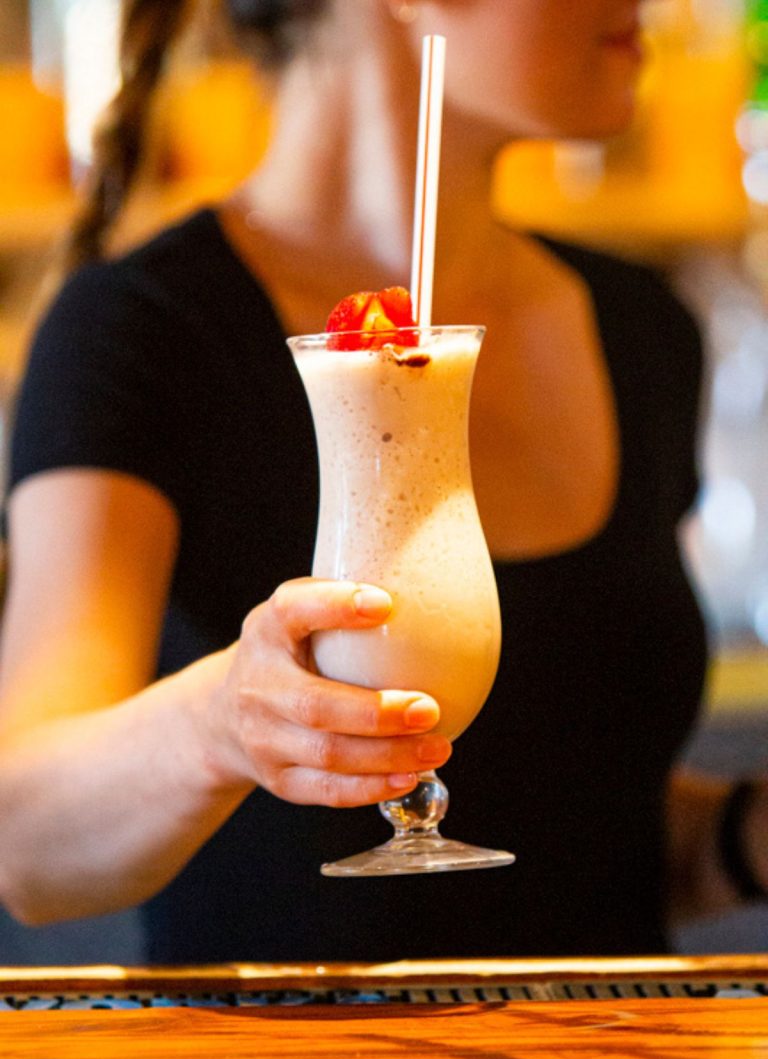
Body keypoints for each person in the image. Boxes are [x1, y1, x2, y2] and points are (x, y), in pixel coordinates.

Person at [0, 0, 765, 963]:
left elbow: (577, 843)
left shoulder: (645, 330)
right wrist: (223, 724)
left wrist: (741, 835)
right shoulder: (141, 335)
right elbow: (25, 845)